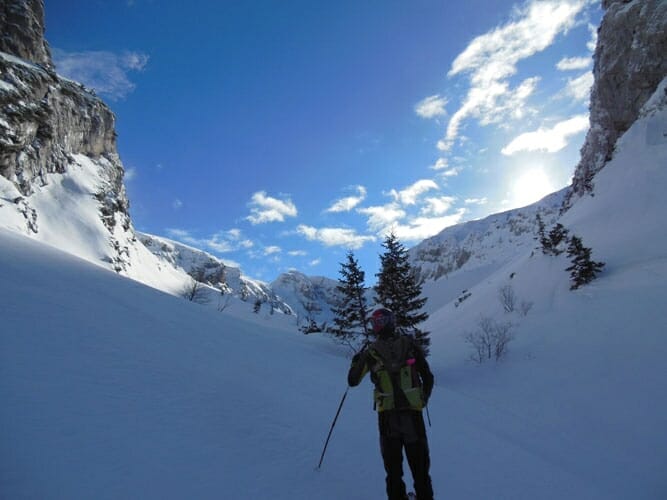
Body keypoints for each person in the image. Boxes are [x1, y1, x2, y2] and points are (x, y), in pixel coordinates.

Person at [348, 307, 434, 500]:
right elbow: (428, 377)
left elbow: (352, 381)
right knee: (420, 471)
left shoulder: (371, 352)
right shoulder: (410, 345)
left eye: (376, 322)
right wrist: (423, 398)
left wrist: (356, 362)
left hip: (387, 419)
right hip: (413, 416)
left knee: (394, 473)